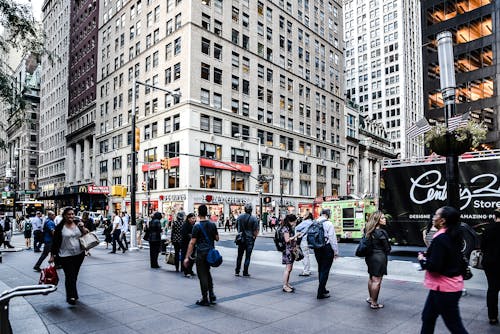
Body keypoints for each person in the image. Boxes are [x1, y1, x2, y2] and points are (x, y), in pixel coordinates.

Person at [418, 206, 469, 334]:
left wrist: (422, 260)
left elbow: (435, 266)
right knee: (428, 317)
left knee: (454, 325)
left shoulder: (441, 239)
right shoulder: (452, 235)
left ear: (442, 221)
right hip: (441, 287)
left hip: (445, 289)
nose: (433, 218)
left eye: (436, 215)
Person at [49, 207, 90, 305]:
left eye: (72, 214)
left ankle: (73, 294)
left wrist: (82, 227)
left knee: (74, 276)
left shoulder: (77, 223)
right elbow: (54, 242)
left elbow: (86, 233)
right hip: (65, 255)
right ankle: (71, 296)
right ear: (64, 216)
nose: (71, 216)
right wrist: (52, 255)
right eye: (69, 214)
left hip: (79, 254)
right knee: (69, 275)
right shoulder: (60, 227)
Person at [183, 204, 219, 306]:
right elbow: (217, 238)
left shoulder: (197, 226)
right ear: (207, 213)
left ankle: (205, 298)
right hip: (210, 254)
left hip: (201, 254)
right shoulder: (212, 224)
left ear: (198, 213)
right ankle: (212, 295)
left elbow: (192, 242)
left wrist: (187, 257)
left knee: (202, 275)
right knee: (208, 273)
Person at [364, 211, 391, 309]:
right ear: (378, 220)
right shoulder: (382, 232)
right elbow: (387, 248)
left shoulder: (368, 230)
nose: (385, 219)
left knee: (371, 278)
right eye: (383, 218)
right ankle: (374, 303)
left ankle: (371, 298)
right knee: (377, 281)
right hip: (379, 257)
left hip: (370, 257)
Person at [313, 208, 339, 299]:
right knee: (325, 270)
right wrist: (335, 251)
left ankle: (323, 288)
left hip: (317, 248)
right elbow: (332, 239)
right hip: (326, 248)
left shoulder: (315, 222)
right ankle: (320, 293)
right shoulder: (329, 223)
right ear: (328, 214)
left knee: (320, 269)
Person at [480, 208, 500, 325]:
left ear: (494, 216)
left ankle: (492, 317)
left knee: (492, 288)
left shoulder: (487, 230)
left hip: (490, 263)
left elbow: (483, 247)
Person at [234, 203, 259, 277]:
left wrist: (240, 232)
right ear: (251, 210)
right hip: (250, 239)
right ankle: (245, 272)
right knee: (247, 256)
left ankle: (237, 271)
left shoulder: (240, 217)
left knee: (239, 256)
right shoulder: (254, 218)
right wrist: (254, 237)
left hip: (241, 239)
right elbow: (256, 231)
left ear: (245, 209)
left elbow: (236, 226)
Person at [281, 214, 299, 293]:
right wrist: (295, 236)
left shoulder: (289, 227)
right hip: (287, 250)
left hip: (291, 250)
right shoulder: (285, 228)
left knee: (290, 268)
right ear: (289, 221)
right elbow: (287, 240)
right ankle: (285, 286)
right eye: (294, 222)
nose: (294, 224)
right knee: (288, 269)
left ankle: (287, 284)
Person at [295, 212, 314, 277]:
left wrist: (298, 233)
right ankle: (308, 270)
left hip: (304, 240)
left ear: (308, 216)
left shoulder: (305, 222)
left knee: (304, 256)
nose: (303, 216)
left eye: (305, 215)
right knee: (307, 256)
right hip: (309, 241)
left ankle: (306, 271)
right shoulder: (312, 222)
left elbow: (296, 228)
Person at [181, 213, 197, 277]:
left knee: (192, 258)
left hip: (192, 244)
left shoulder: (194, 225)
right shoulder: (185, 225)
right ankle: (186, 271)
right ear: (188, 218)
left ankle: (190, 270)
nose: (194, 219)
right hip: (186, 244)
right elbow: (184, 234)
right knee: (186, 257)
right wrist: (191, 236)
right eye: (192, 218)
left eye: (194, 218)